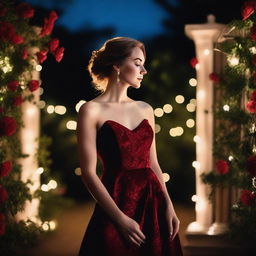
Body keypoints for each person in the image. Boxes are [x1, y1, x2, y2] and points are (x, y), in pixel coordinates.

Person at [77, 37, 183, 256]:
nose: (143, 70)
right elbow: (88, 173)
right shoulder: (90, 110)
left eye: (143, 63)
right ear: (117, 65)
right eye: (137, 63)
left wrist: (169, 205)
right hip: (116, 200)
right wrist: (119, 219)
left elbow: (153, 163)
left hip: (153, 201)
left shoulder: (146, 109)